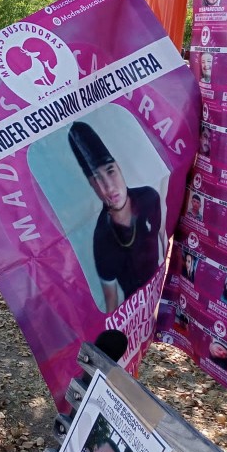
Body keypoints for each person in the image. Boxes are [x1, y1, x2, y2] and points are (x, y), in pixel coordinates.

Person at [68, 121, 163, 312]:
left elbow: (162, 234)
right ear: (91, 184)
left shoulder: (149, 198)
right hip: (135, 312)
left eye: (110, 171)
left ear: (119, 168)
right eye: (97, 178)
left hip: (162, 289)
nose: (109, 187)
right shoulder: (102, 241)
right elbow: (111, 299)